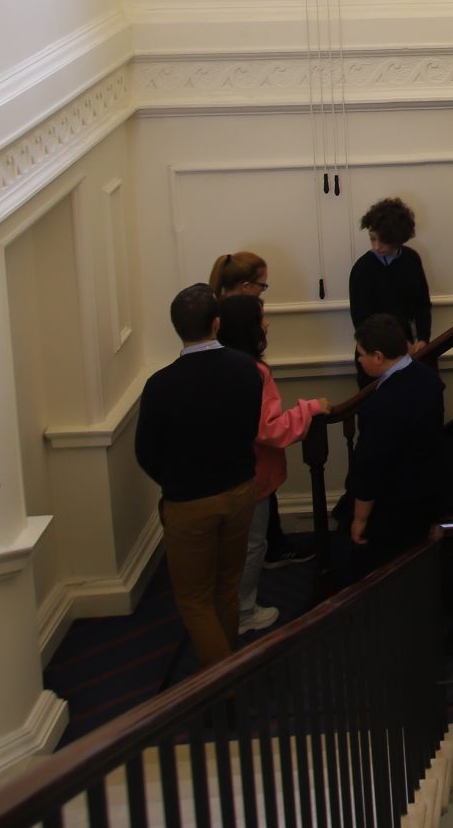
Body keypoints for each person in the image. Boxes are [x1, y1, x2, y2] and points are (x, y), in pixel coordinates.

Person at [132, 283, 262, 668]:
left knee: (193, 599)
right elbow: (249, 428)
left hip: (188, 502)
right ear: (217, 322)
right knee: (226, 588)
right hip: (240, 491)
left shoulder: (160, 385)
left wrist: (176, 480)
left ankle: (224, 684)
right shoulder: (246, 370)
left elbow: (146, 452)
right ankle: (228, 669)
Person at [215, 294, 323, 637]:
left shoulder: (218, 362)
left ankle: (226, 607)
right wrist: (310, 409)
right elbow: (270, 429)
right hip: (251, 473)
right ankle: (242, 612)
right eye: (262, 318)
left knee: (231, 545)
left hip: (221, 471)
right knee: (251, 546)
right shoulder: (253, 371)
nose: (267, 323)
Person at [345, 312, 444, 571]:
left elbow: (371, 465)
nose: (358, 359)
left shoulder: (381, 406)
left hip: (394, 504)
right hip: (426, 490)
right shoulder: (427, 378)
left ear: (378, 356)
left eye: (360, 354)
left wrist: (359, 518)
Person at [348, 198, 433, 353]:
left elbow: (422, 305)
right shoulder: (362, 269)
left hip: (407, 347)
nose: (376, 246)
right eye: (373, 238)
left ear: (398, 239)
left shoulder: (412, 259)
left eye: (384, 241)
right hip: (373, 354)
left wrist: (422, 339)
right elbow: (361, 321)